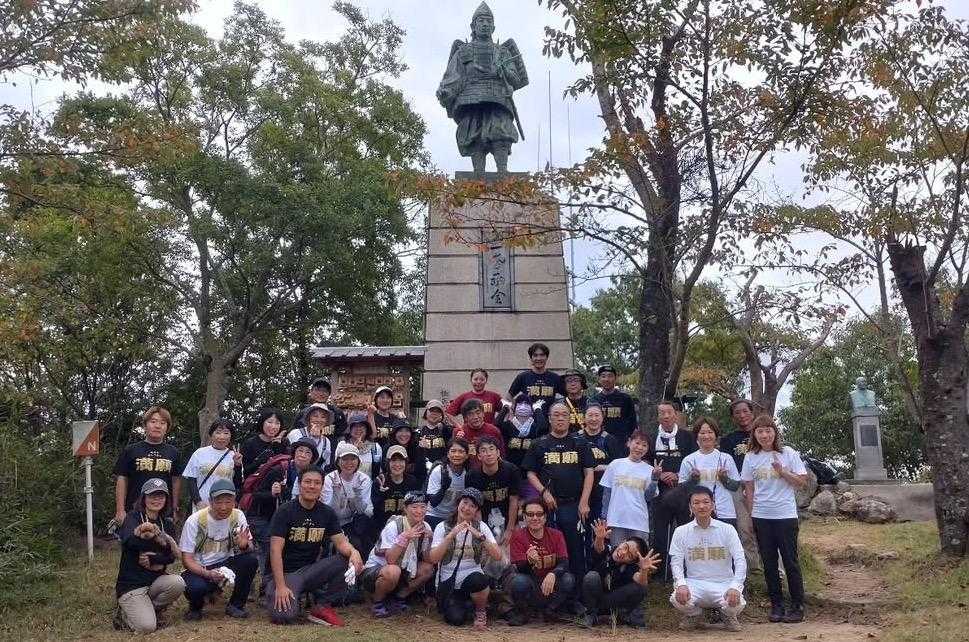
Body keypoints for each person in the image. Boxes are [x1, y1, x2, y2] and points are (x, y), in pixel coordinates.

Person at [266, 466, 364, 626]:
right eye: (307, 482)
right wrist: (281, 586)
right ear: (299, 484)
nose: (312, 486)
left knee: (346, 559)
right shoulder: (285, 511)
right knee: (284, 617)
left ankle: (323, 605)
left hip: (310, 571)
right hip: (285, 574)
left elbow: (341, 543)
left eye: (317, 483)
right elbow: (275, 550)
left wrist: (354, 552)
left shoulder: (327, 513)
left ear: (322, 486)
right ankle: (289, 596)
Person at [741, 414, 809, 623]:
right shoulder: (750, 457)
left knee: (790, 561)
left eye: (768, 430)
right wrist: (751, 516)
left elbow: (802, 482)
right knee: (769, 563)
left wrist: (783, 472)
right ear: (754, 434)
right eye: (760, 431)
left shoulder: (788, 453)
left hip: (785, 515)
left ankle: (797, 606)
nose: (764, 435)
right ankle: (776, 605)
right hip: (761, 516)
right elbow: (749, 488)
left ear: (775, 432)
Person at [523, 400, 594, 577]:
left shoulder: (580, 443)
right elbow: (530, 473)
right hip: (549, 506)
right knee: (549, 548)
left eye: (564, 415)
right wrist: (544, 492)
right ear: (549, 418)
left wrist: (584, 502)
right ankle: (549, 586)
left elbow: (589, 473)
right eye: (556, 415)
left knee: (575, 548)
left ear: (570, 418)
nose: (560, 418)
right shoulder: (539, 444)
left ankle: (577, 588)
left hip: (574, 504)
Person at [245, 438, 318, 592]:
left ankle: (281, 584)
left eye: (308, 452)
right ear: (294, 453)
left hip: (285, 519)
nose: (303, 455)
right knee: (270, 550)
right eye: (300, 451)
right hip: (262, 517)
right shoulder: (279, 470)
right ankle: (265, 587)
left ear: (312, 458)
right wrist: (271, 494)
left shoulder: (312, 476)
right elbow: (256, 494)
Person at [669, 487, 746, 632]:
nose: (701, 506)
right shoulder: (681, 531)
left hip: (723, 583)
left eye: (706, 502)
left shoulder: (727, 529)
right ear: (690, 507)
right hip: (695, 583)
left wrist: (735, 586)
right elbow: (676, 562)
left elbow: (740, 560)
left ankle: (727, 616)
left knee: (738, 602)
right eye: (696, 503)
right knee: (676, 598)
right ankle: (694, 614)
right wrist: (681, 584)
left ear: (713, 505)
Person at [179, 479, 257, 621]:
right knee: (196, 588)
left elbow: (250, 547)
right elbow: (187, 560)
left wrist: (244, 545)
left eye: (228, 502)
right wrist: (207, 573)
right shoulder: (195, 521)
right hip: (201, 566)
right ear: (210, 501)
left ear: (234, 501)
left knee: (250, 561)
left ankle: (236, 605)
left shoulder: (238, 515)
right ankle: (195, 607)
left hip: (225, 563)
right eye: (218, 502)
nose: (223, 507)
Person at [113, 479, 185, 633]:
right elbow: (129, 541)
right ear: (143, 498)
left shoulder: (167, 523)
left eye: (161, 496)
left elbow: (171, 557)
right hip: (132, 584)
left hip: (154, 581)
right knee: (147, 627)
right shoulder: (132, 517)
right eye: (152, 495)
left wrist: (154, 559)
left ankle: (151, 609)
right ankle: (124, 614)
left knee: (178, 582)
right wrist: (159, 543)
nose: (157, 500)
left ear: (166, 499)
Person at [428, 488, 502, 630]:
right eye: (465, 502)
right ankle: (467, 604)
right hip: (448, 581)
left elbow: (497, 556)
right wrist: (451, 535)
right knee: (455, 619)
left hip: (472, 576)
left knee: (479, 579)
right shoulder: (442, 527)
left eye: (472, 506)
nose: (467, 508)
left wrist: (480, 536)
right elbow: (433, 559)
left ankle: (480, 611)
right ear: (458, 503)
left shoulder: (481, 527)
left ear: (477, 511)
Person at [360, 491, 435, 617]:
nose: (419, 511)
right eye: (414, 507)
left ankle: (398, 598)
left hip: (403, 569)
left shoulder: (425, 526)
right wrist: (404, 537)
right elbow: (390, 560)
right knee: (393, 571)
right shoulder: (394, 525)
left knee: (428, 568)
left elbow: (428, 559)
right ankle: (377, 601)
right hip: (378, 570)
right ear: (405, 508)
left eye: (423, 507)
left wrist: (430, 539)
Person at [505, 499, 574, 625]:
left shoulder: (557, 535)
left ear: (545, 517)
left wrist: (553, 574)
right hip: (531, 585)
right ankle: (523, 612)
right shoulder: (518, 536)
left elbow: (564, 562)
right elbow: (520, 568)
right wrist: (529, 561)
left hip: (550, 586)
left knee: (568, 579)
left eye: (539, 514)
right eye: (530, 514)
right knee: (518, 581)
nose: (535, 518)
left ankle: (550, 610)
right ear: (524, 517)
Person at [582, 518, 661, 628]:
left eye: (629, 555)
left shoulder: (630, 567)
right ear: (623, 541)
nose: (623, 553)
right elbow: (599, 549)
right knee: (591, 577)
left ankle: (621, 615)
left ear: (632, 561)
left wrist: (643, 570)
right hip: (595, 598)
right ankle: (590, 615)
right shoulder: (608, 549)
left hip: (613, 600)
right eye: (625, 547)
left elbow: (641, 582)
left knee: (640, 588)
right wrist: (599, 538)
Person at [113, 406, 184, 527]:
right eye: (153, 421)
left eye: (162, 423)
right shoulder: (131, 450)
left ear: (167, 428)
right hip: (134, 509)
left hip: (163, 511)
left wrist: (175, 509)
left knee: (164, 539)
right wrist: (120, 510)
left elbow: (176, 481)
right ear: (145, 425)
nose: (157, 426)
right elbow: (122, 479)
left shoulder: (174, 452)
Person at [650, 400, 697, 580]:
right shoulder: (652, 436)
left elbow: (694, 461)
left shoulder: (688, 437)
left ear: (676, 415)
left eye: (669, 412)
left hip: (683, 490)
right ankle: (660, 572)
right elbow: (645, 462)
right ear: (658, 416)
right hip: (659, 491)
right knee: (660, 532)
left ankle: (687, 571)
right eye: (661, 413)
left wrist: (677, 475)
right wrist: (659, 475)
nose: (666, 416)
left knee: (685, 530)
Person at [719, 399, 761, 570]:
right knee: (745, 527)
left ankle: (775, 566)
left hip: (763, 486)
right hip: (739, 488)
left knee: (768, 525)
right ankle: (753, 566)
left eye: (745, 411)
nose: (742, 415)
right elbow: (726, 466)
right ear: (733, 417)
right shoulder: (728, 440)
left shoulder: (762, 434)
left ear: (752, 413)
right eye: (737, 412)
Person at [680, 417, 741, 528]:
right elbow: (682, 489)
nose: (706, 436)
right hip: (699, 513)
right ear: (697, 436)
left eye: (710, 432)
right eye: (702, 433)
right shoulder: (688, 460)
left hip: (725, 512)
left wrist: (725, 479)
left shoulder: (726, 458)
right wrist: (693, 480)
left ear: (716, 435)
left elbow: (735, 486)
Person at [600, 430, 660, 545]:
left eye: (644, 445)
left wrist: (655, 479)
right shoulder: (615, 465)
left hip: (639, 522)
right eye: (637, 443)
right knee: (617, 552)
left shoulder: (649, 469)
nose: (640, 447)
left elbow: (648, 497)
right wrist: (604, 518)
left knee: (638, 554)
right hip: (616, 520)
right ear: (629, 443)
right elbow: (607, 494)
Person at [322, 441, 374, 554]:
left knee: (358, 544)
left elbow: (361, 510)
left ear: (358, 461)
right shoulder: (329, 479)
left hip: (353, 523)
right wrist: (336, 494)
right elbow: (327, 510)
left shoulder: (364, 479)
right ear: (338, 461)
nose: (349, 463)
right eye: (345, 459)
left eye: (353, 459)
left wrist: (357, 493)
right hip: (331, 523)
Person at [467, 436, 519, 545]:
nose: (488, 454)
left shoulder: (511, 470)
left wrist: (510, 529)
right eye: (483, 450)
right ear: (479, 456)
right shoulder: (472, 476)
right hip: (485, 519)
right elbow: (475, 506)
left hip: (508, 518)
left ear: (498, 453)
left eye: (491, 449)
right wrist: (481, 531)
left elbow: (514, 500)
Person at [578, 403, 624, 522]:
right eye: (590, 415)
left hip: (602, 492)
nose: (594, 419)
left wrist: (600, 467)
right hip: (578, 489)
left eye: (597, 415)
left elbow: (620, 466)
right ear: (584, 417)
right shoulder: (576, 438)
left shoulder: (610, 439)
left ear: (602, 418)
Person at [497, 393, 548, 501]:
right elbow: (496, 425)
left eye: (526, 404)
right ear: (515, 408)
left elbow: (544, 428)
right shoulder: (508, 426)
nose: (523, 406)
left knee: (532, 505)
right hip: (510, 475)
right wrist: (505, 408)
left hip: (530, 477)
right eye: (520, 403)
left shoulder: (535, 427)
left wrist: (537, 409)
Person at [183, 418, 243, 511]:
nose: (222, 437)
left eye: (226, 433)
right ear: (211, 435)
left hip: (224, 508)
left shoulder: (234, 456)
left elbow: (238, 484)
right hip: (202, 506)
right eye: (218, 432)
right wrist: (198, 501)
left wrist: (238, 466)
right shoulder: (200, 453)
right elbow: (191, 480)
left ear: (231, 436)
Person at [425, 438, 471, 530]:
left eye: (461, 451)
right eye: (453, 451)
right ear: (448, 454)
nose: (456, 455)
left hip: (455, 517)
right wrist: (444, 488)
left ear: (466, 455)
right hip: (434, 515)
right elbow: (433, 502)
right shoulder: (439, 471)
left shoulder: (468, 473)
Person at [372, 445, 421, 529]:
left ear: (406, 462)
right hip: (383, 526)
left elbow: (415, 507)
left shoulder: (412, 481)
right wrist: (381, 493)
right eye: (393, 460)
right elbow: (376, 510)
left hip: (406, 525)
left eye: (401, 460)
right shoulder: (380, 480)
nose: (397, 464)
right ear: (388, 463)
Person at [508, 343, 565, 414]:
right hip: (529, 419)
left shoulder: (555, 378)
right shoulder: (523, 377)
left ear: (546, 357)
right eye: (535, 355)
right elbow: (509, 397)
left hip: (549, 419)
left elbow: (568, 396)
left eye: (542, 355)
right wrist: (517, 409)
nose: (539, 358)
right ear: (531, 358)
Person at [591, 365, 638, 443]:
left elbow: (633, 423)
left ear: (615, 378)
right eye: (603, 376)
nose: (607, 379)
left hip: (621, 442)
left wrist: (631, 440)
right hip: (599, 442)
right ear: (599, 379)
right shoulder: (593, 400)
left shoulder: (626, 399)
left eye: (610, 376)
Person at [453, 398, 505, 466]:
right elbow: (454, 455)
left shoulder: (494, 430)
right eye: (471, 414)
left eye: (478, 413)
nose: (476, 417)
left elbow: (501, 454)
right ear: (465, 418)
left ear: (483, 414)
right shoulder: (458, 432)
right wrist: (458, 441)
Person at [294, 377, 347, 442]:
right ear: (311, 392)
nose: (321, 394)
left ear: (329, 394)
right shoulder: (302, 413)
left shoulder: (337, 413)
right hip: (306, 446)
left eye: (325, 391)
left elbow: (342, 433)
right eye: (318, 390)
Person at [241, 407, 289, 477]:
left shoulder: (284, 443)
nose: (273, 426)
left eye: (277, 423)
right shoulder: (250, 444)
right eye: (270, 422)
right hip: (255, 482)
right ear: (262, 422)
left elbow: (287, 467)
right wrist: (261, 463)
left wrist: (278, 446)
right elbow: (245, 471)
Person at [286, 403, 334, 468]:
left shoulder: (326, 441)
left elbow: (325, 464)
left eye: (323, 417)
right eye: (315, 416)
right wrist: (313, 438)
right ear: (308, 418)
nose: (319, 420)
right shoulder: (295, 433)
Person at [385, 419, 427, 486]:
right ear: (394, 433)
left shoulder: (416, 447)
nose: (404, 434)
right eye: (400, 431)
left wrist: (422, 450)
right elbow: (385, 469)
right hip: (391, 484)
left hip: (413, 484)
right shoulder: (388, 447)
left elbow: (421, 472)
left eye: (407, 431)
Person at [344, 410, 382, 478]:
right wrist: (354, 449)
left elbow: (378, 470)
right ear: (349, 429)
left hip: (369, 483)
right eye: (355, 426)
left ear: (367, 429)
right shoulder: (343, 445)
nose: (358, 429)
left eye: (361, 426)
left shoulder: (375, 447)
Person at [417, 399, 453, 469]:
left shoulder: (447, 431)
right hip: (423, 469)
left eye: (438, 411)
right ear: (426, 412)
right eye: (432, 411)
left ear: (442, 415)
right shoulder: (418, 432)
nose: (434, 414)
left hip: (442, 469)